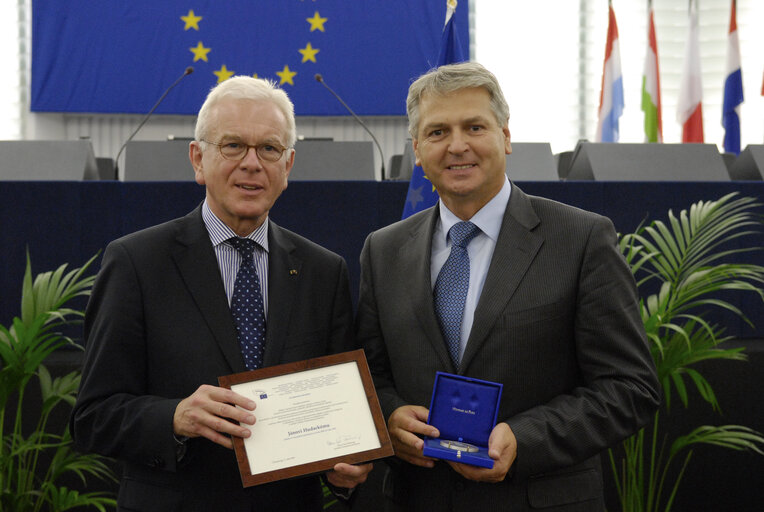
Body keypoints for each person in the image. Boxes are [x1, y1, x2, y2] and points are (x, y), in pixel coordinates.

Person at [355, 62, 661, 511]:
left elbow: (630, 387)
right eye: (438, 132)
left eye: (474, 126)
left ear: (506, 137)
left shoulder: (580, 239)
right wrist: (389, 415)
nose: (457, 145)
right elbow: (369, 376)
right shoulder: (383, 251)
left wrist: (525, 438)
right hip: (420, 498)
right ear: (417, 150)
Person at [71, 76, 371, 511]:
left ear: (287, 167)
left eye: (268, 149)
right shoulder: (136, 263)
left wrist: (345, 472)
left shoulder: (323, 272)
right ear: (198, 159)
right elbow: (91, 418)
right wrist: (174, 417)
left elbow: (341, 414)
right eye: (233, 146)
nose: (252, 163)